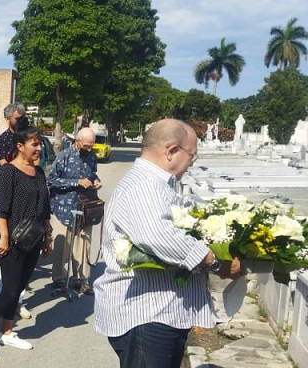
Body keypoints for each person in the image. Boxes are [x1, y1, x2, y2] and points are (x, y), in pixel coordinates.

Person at [93, 119, 243, 368]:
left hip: (161, 312)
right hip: (147, 314)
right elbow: (157, 235)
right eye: (191, 156)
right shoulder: (145, 184)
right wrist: (216, 263)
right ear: (172, 150)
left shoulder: (158, 184)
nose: (191, 164)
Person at [0, 126, 53, 358]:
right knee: (9, 291)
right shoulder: (7, 172)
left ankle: (7, 332)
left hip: (34, 238)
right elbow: (0, 208)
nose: (39, 148)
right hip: (11, 239)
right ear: (20, 146)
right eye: (35, 144)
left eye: (40, 144)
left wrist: (48, 236)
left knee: (19, 288)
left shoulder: (38, 172)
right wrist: (5, 237)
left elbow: (45, 209)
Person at [0, 102, 34, 319]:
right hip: (13, 197)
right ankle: (3, 301)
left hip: (29, 200)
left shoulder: (28, 134)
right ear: (9, 118)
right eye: (19, 118)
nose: (22, 120)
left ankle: (19, 300)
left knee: (25, 257)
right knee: (8, 259)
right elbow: (3, 167)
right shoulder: (3, 140)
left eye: (24, 117)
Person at [49, 127, 101, 296]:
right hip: (63, 208)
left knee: (84, 245)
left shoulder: (91, 156)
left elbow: (93, 174)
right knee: (62, 247)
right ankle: (59, 280)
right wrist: (77, 182)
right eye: (86, 145)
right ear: (77, 142)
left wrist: (96, 181)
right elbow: (52, 180)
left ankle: (82, 280)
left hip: (84, 207)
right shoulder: (64, 156)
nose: (89, 149)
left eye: (91, 146)